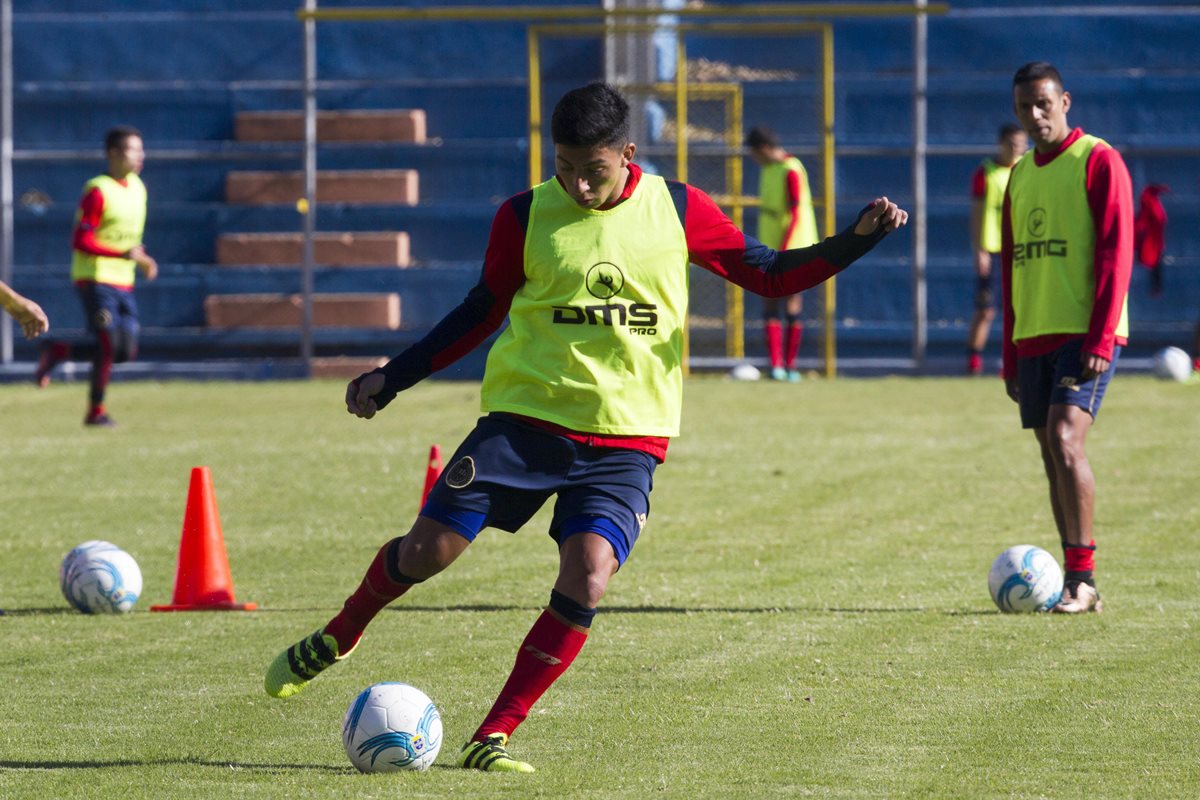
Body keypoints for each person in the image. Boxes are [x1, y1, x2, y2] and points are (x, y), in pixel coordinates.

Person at [264, 83, 907, 772]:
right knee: (428, 552)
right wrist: (393, 377)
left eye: (591, 169)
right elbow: (480, 313)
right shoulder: (525, 215)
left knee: (590, 574)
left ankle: (495, 733)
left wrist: (853, 243)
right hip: (523, 425)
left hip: (628, 440)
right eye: (563, 165)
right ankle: (339, 634)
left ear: (628, 153)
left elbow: (773, 275)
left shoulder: (680, 208)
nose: (575, 182)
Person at [1001, 62, 1133, 614]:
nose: (1034, 116)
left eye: (1043, 104)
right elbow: (1011, 267)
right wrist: (1009, 356)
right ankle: (1072, 576)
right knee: (1050, 455)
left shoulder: (1097, 159)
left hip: (1083, 332)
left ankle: (1083, 581)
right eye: (1024, 108)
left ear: (1065, 102)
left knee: (1065, 440)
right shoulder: (1020, 174)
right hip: (1033, 333)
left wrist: (1102, 338)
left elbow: (1115, 250)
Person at [35, 126, 157, 426]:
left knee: (125, 351)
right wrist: (122, 255)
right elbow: (80, 240)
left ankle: (58, 349)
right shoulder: (98, 190)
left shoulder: (138, 188)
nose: (141, 156)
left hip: (124, 281)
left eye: (142, 150)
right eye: (134, 150)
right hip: (95, 278)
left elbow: (128, 242)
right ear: (113, 153)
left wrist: (141, 260)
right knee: (106, 345)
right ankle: (96, 412)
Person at [745, 126, 820, 381]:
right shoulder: (768, 170)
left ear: (764, 149)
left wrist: (786, 246)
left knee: (792, 300)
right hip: (770, 243)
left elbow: (796, 211)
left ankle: (790, 366)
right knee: (769, 297)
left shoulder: (791, 169)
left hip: (793, 244)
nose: (754, 159)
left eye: (755, 153)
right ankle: (776, 365)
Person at [966, 123, 1027, 375]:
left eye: (1020, 143)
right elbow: (977, 214)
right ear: (1000, 143)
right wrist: (979, 249)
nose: (1015, 148)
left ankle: (1012, 363)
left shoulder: (1028, 169)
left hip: (1021, 250)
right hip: (992, 250)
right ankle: (973, 362)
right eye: (1011, 143)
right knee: (986, 311)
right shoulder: (986, 172)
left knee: (1019, 310)